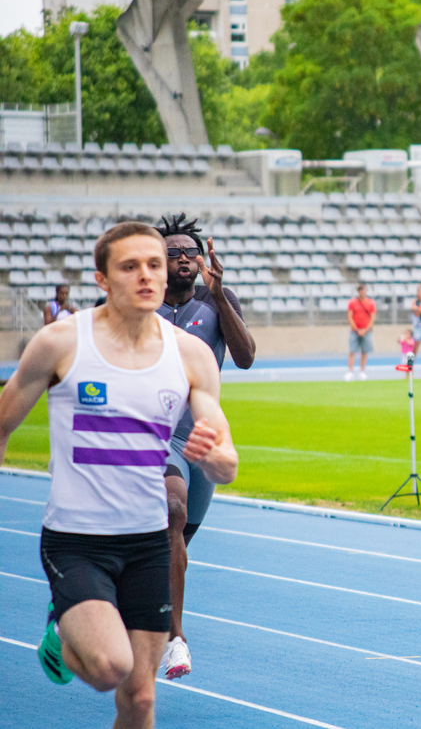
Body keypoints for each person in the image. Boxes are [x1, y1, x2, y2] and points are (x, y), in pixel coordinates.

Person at [0, 222, 238, 728]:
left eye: (154, 264)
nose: (147, 276)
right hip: (77, 539)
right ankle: (65, 633)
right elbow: (2, 425)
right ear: (103, 279)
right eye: (130, 266)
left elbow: (227, 462)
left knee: (141, 700)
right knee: (110, 666)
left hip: (148, 544)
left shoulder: (190, 354)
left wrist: (212, 455)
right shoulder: (61, 342)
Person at [155, 213, 256, 680]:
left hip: (201, 435)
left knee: (174, 546)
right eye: (172, 252)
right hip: (154, 434)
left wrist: (218, 294)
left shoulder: (218, 302)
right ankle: (176, 639)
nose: (183, 259)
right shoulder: (141, 303)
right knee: (173, 513)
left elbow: (246, 358)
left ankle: (136, 605)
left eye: (189, 252)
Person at [346, 284, 376, 381]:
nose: (362, 292)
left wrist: (365, 330)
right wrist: (357, 329)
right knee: (352, 351)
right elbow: (350, 317)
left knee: (364, 351)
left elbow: (372, 319)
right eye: (360, 290)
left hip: (366, 331)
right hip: (355, 331)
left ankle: (362, 371)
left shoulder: (371, 303)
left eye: (364, 290)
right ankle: (350, 371)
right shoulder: (352, 303)